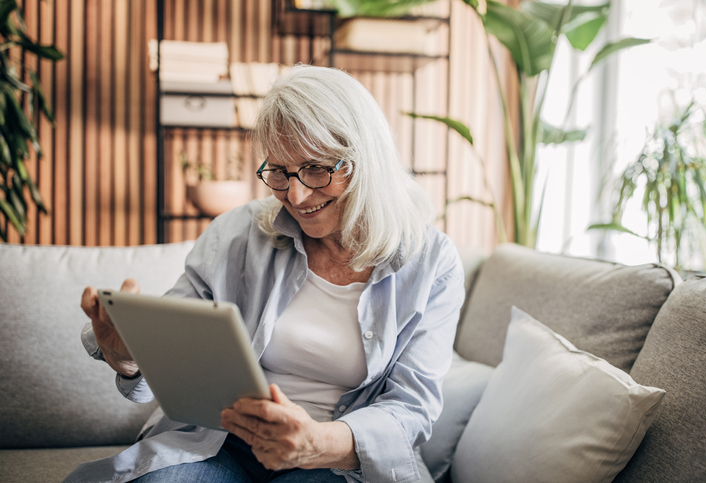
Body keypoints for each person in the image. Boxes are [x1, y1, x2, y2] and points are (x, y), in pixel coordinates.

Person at [65, 64, 464, 483]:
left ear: (366, 161)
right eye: (279, 171)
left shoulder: (432, 261)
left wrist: (316, 443)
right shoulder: (239, 233)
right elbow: (175, 353)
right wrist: (131, 356)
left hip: (334, 460)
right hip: (221, 442)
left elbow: (412, 409)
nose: (296, 194)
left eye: (315, 169)